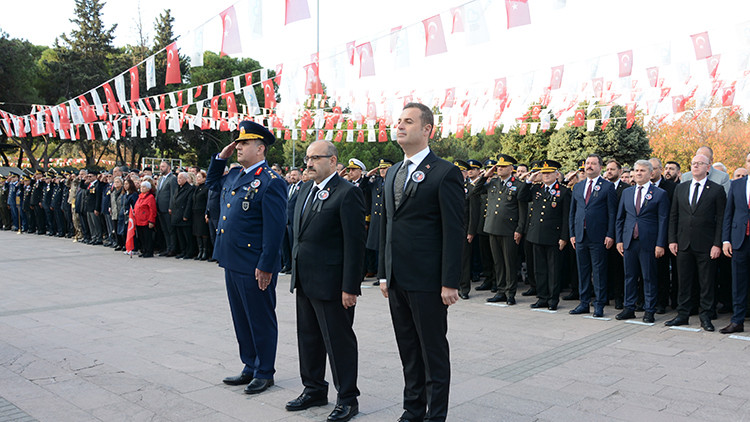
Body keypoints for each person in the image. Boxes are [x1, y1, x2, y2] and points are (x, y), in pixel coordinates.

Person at [378, 103, 464, 422]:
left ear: (427, 130)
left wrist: (450, 281)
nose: (399, 126)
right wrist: (385, 274)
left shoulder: (445, 172)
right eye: (398, 121)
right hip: (398, 280)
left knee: (433, 353)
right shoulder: (394, 173)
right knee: (408, 351)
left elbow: (453, 231)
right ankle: (412, 410)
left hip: (428, 281)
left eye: (408, 121)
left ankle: (435, 416)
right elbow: (388, 227)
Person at [286, 140, 366, 422]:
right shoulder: (306, 189)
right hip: (305, 279)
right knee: (308, 338)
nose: (309, 163)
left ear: (333, 161)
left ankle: (347, 398)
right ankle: (314, 388)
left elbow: (354, 244)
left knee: (338, 342)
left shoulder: (346, 194)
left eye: (315, 158)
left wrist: (350, 287)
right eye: (307, 157)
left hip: (333, 284)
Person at [206, 120, 287, 395]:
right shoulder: (234, 175)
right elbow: (211, 183)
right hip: (232, 259)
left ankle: (265, 371)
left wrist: (266, 265)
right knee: (241, 317)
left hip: (254, 264)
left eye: (244, 143)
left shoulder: (271, 182)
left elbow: (275, 230)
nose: (238, 146)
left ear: (260, 148)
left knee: (260, 318)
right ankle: (249, 365)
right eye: (238, 142)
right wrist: (221, 158)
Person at [665, 154, 726, 331]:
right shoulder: (681, 188)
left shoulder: (716, 189)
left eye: (700, 164)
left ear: (708, 167)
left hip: (706, 245)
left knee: (706, 283)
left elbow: (721, 219)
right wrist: (672, 240)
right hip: (683, 243)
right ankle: (683, 314)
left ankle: (706, 316)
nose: (695, 166)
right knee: (683, 281)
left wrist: (717, 244)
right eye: (693, 164)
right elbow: (673, 216)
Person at [615, 160, 670, 323]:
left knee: (648, 277)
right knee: (629, 276)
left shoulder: (660, 194)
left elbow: (663, 220)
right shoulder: (627, 192)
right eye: (636, 170)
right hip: (629, 241)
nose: (638, 173)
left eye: (642, 171)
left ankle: (649, 310)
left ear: (651, 173)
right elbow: (620, 218)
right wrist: (619, 240)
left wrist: (660, 244)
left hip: (649, 242)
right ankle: (629, 308)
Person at [475, 154, 530, 305]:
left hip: (509, 229)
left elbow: (522, 211)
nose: (499, 169)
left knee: (509, 262)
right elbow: (476, 191)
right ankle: (500, 291)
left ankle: (510, 293)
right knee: (498, 262)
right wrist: (485, 175)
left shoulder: (518, 185)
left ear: (511, 169)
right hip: (492, 228)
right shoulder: (492, 182)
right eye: (498, 166)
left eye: (503, 166)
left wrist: (519, 229)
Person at [569, 154, 617, 318]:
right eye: (587, 163)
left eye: (593, 163)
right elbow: (573, 212)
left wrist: (610, 234)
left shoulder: (607, 187)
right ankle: (583, 303)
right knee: (582, 271)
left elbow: (612, 213)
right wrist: (572, 233)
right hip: (580, 235)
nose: (589, 166)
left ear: (600, 167)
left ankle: (599, 305)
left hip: (599, 236)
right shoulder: (578, 186)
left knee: (598, 272)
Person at [525, 160, 570, 310]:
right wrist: (528, 181)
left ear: (557, 174)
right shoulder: (536, 188)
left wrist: (564, 237)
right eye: (544, 173)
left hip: (554, 237)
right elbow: (522, 197)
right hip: (536, 235)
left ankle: (552, 299)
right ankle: (542, 297)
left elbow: (566, 217)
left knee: (553, 270)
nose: (546, 175)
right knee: (540, 269)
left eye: (549, 173)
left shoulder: (563, 191)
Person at [720, 152, 750, 334]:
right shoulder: (737, 184)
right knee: (738, 282)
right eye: (748, 160)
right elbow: (728, 214)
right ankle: (737, 321)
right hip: (739, 240)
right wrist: (725, 240)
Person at [170, 172, 195, 259]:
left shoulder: (189, 189)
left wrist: (186, 215)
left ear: (185, 179)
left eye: (180, 178)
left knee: (187, 236)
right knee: (180, 236)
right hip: (176, 215)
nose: (178, 180)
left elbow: (189, 203)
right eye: (178, 178)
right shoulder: (178, 188)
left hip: (183, 215)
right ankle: (183, 251)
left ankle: (189, 252)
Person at [156, 161, 179, 256]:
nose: (161, 168)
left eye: (163, 166)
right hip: (160, 208)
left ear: (169, 167)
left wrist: (171, 207)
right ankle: (168, 247)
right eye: (160, 166)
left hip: (167, 208)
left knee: (170, 229)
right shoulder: (161, 179)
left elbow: (173, 194)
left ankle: (172, 249)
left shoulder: (172, 179)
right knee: (164, 229)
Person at [133, 181, 157, 258]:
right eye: (141, 187)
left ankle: (149, 251)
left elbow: (152, 210)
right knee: (142, 237)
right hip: (139, 220)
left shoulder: (150, 197)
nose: (142, 188)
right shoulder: (140, 197)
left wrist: (151, 221)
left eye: (144, 187)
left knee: (147, 237)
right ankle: (144, 250)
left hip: (146, 220)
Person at [191, 170, 210, 260]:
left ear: (204, 178)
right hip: (196, 213)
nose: (197, 179)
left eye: (199, 177)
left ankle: (205, 252)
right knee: (197, 233)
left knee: (203, 233)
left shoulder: (206, 188)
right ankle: (200, 250)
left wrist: (207, 213)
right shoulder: (196, 188)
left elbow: (207, 202)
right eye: (196, 177)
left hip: (202, 212)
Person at [116, 178, 138, 251]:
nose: (125, 186)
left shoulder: (133, 194)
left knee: (130, 231)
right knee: (123, 231)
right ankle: (126, 245)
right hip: (123, 215)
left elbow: (134, 205)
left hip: (130, 215)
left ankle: (133, 247)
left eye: (127, 184)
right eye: (124, 184)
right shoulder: (124, 194)